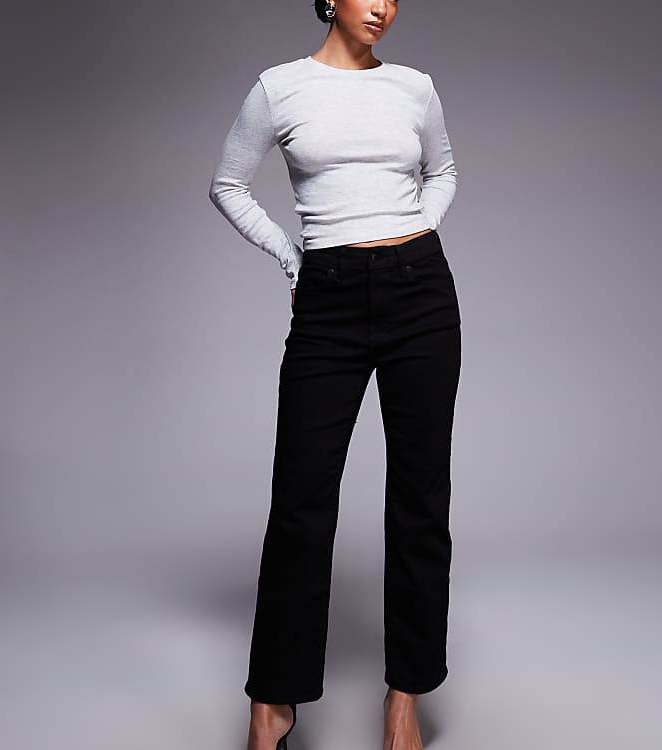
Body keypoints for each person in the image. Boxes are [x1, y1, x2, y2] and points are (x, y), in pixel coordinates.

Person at [208, 2, 460, 748]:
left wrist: (415, 233)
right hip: (329, 299)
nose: (382, 6)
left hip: (420, 293)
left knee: (420, 498)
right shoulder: (280, 88)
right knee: (301, 503)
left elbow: (443, 171)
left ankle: (406, 693)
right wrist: (293, 258)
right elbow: (228, 184)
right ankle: (272, 703)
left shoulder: (414, 87)